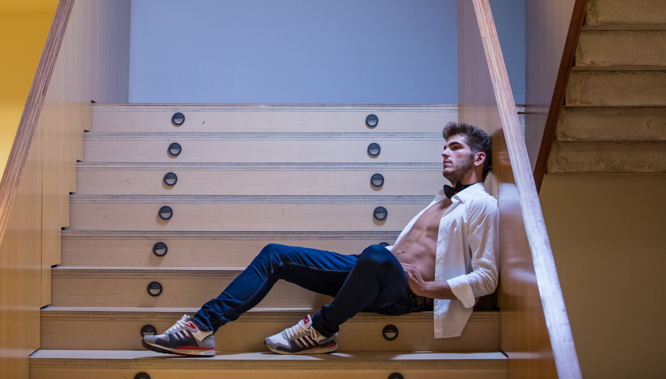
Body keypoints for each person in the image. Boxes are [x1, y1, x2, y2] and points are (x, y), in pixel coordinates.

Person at [142, 122, 498, 357]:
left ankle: (321, 330)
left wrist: (428, 289)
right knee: (276, 254)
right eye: (444, 147)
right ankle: (200, 329)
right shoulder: (441, 201)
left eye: (454, 147)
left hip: (404, 294)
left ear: (479, 157)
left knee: (376, 255)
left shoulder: (482, 204)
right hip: (374, 269)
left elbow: (487, 277)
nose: (444, 153)